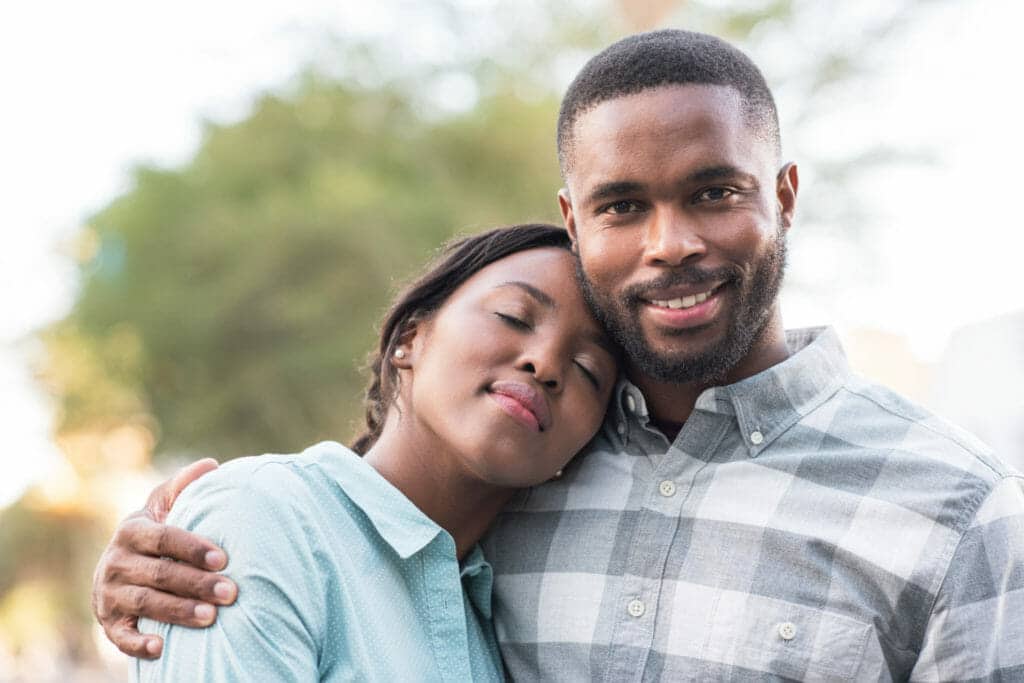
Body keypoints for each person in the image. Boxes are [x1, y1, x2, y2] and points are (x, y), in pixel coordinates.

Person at [94, 30, 1024, 681]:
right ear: (576, 219)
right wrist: (174, 557)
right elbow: (339, 532)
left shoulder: (958, 510)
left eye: (714, 191)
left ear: (783, 193)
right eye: (622, 205)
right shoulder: (529, 472)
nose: (670, 244)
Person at [123, 223, 618, 680]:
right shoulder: (264, 515)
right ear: (409, 338)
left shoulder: (504, 624)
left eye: (589, 369)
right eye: (513, 316)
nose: (547, 362)